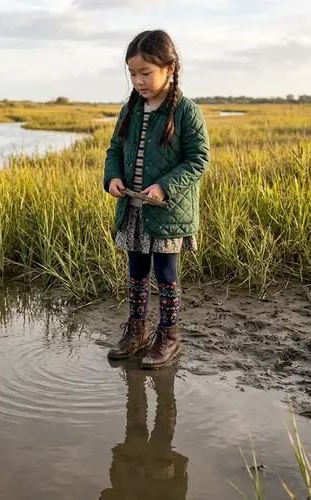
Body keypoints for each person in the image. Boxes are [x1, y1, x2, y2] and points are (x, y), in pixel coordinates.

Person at [103, 29, 210, 369]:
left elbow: (198, 159)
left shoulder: (186, 111)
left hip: (167, 211)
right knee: (136, 272)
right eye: (133, 73)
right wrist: (113, 178)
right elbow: (115, 150)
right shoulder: (131, 110)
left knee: (166, 275)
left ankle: (169, 337)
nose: (138, 81)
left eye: (145, 73)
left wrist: (164, 185)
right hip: (133, 208)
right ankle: (136, 332)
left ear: (170, 68)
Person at [99, 365, 188, 499]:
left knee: (142, 438)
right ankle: (161, 378)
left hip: (138, 481)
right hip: (150, 481)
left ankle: (156, 376)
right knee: (154, 438)